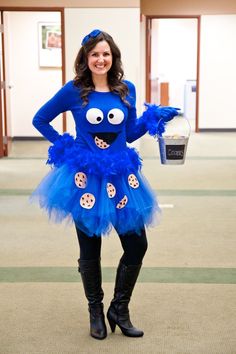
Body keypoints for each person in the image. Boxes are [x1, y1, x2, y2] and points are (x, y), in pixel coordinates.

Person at [32, 29, 178, 340]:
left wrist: (154, 118)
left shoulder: (127, 90)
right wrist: (67, 149)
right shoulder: (74, 91)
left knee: (137, 244)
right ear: (86, 58)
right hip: (86, 180)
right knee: (90, 247)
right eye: (95, 54)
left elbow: (129, 132)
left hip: (122, 176)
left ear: (113, 58)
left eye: (106, 54)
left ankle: (119, 308)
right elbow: (40, 119)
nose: (101, 59)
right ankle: (95, 310)